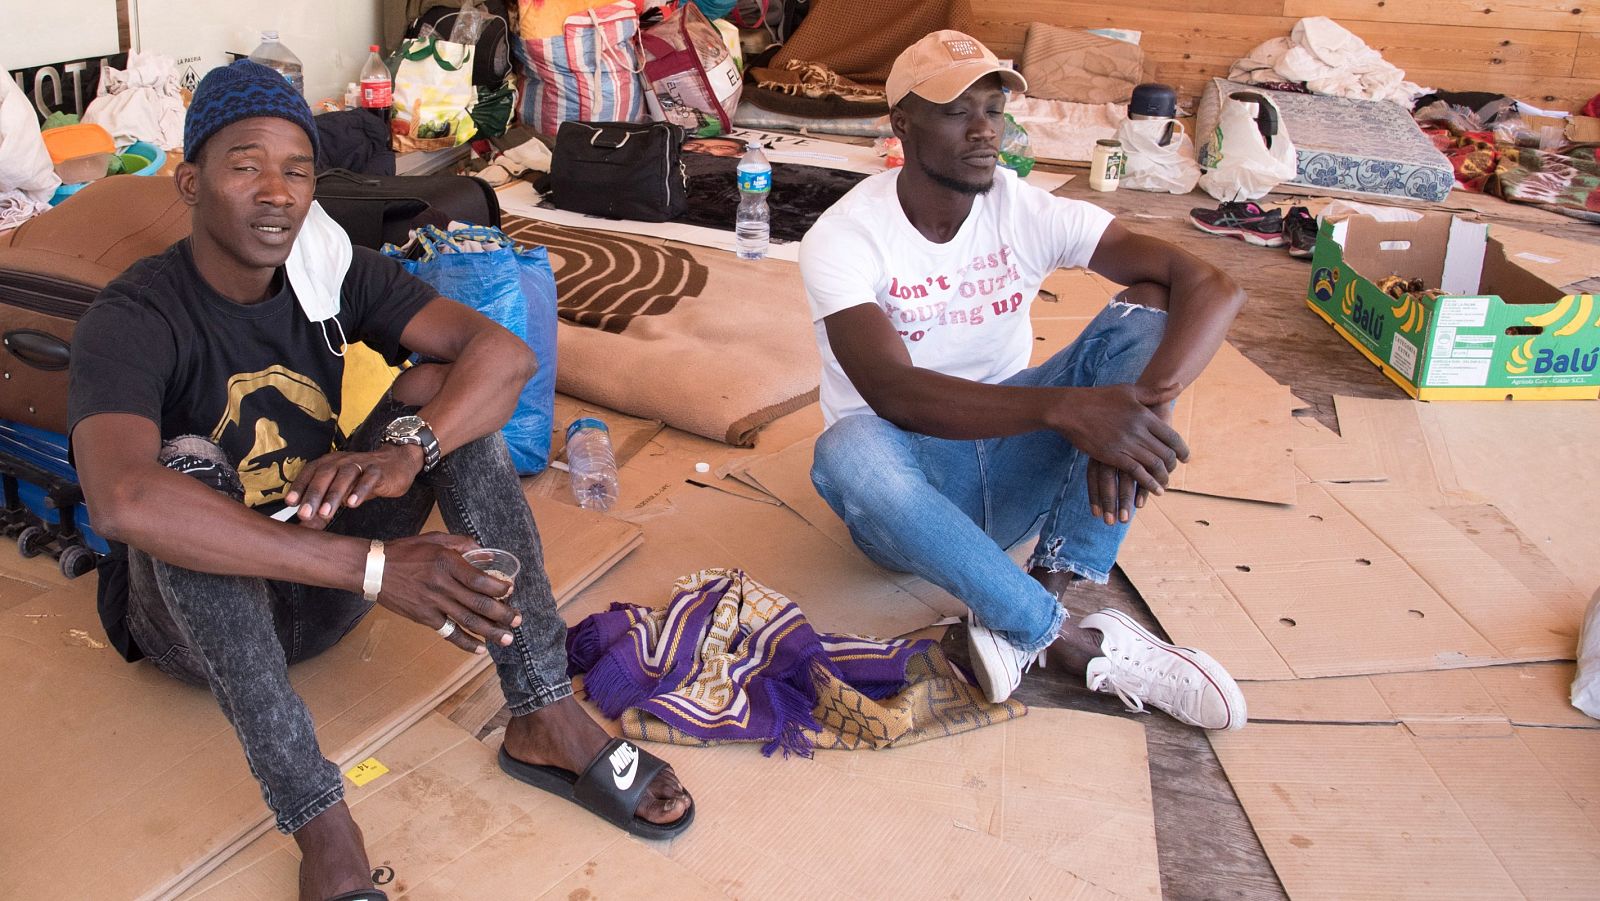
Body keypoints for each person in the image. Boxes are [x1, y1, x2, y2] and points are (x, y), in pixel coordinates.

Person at [68, 61, 692, 901]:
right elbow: (121, 499)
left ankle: (544, 709)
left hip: (320, 574)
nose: (277, 192)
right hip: (199, 622)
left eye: (296, 169)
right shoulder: (136, 314)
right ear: (190, 182)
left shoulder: (331, 271)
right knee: (181, 473)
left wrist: (408, 452)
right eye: (245, 164)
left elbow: (503, 357)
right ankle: (321, 816)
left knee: (441, 400)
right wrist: (373, 567)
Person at [801, 32, 1249, 730]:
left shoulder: (1023, 207)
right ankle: (1062, 636)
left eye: (994, 107)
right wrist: (1071, 411)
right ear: (902, 124)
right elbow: (895, 393)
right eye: (956, 111)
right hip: (911, 495)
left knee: (1152, 306)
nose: (984, 130)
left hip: (1015, 471)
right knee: (847, 448)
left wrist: (1133, 411)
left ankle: (1041, 585)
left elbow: (1210, 283)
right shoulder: (846, 234)